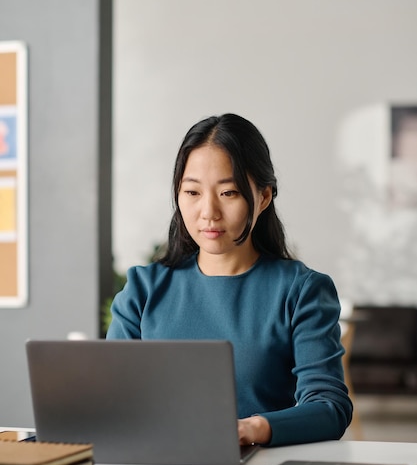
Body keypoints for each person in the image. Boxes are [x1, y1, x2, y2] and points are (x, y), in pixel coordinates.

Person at [107, 113, 353, 447]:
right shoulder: (143, 289)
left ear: (263, 197)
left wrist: (252, 429)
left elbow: (329, 407)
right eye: (192, 192)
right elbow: (110, 401)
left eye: (229, 193)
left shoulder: (301, 290)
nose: (208, 211)